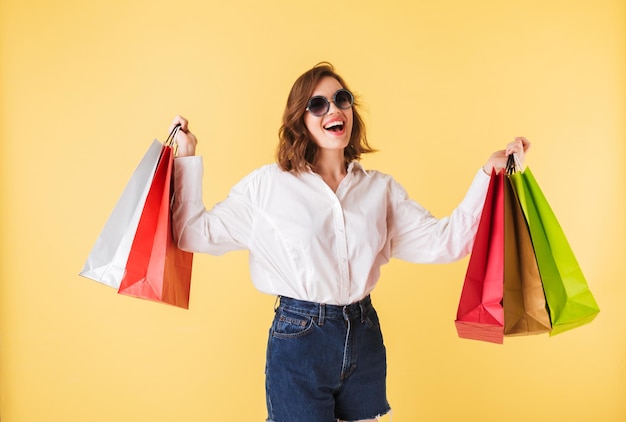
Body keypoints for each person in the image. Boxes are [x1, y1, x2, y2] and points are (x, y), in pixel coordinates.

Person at [169, 62, 530, 422]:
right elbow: (193, 233)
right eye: (317, 104)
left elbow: (446, 242)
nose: (333, 109)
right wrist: (185, 156)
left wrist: (489, 173)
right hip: (299, 338)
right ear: (301, 120)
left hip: (364, 333)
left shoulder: (379, 190)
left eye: (341, 99)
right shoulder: (267, 187)